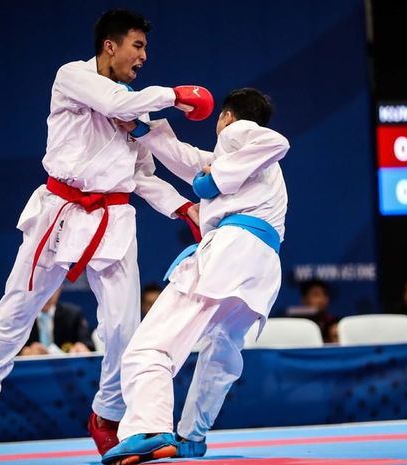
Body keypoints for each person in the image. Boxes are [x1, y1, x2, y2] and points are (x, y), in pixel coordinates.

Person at [0, 8, 213, 457]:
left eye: (146, 47)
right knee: (17, 308)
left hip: (114, 220)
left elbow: (143, 175)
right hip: (59, 211)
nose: (144, 55)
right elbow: (113, 102)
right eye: (138, 45)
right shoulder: (73, 76)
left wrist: (182, 206)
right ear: (111, 44)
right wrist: (175, 94)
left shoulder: (139, 110)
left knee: (125, 329)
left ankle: (107, 414)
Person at [103, 88, 289, 464]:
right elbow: (185, 159)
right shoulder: (238, 161)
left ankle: (149, 428)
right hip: (262, 264)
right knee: (222, 350)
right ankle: (191, 435)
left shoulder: (237, 134)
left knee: (151, 345)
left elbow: (276, 140)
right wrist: (143, 129)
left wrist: (216, 178)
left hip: (231, 251)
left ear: (226, 116)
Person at [20, 287, 94, 355]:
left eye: (52, 287)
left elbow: (89, 347)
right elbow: (10, 349)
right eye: (41, 288)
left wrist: (82, 349)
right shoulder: (21, 317)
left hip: (65, 368)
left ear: (59, 289)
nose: (47, 294)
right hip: (32, 368)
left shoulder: (73, 315)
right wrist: (23, 353)